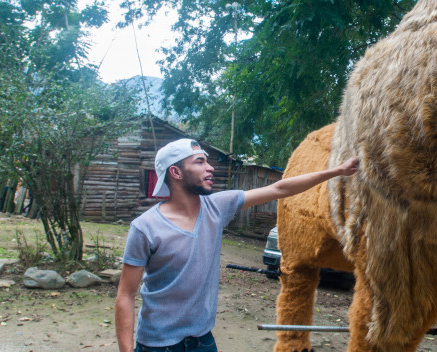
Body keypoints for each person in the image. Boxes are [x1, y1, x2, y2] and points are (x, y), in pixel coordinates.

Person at [115, 138, 359, 352]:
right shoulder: (145, 227)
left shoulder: (217, 207)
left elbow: (279, 188)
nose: (210, 167)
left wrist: (338, 170)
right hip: (158, 344)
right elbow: (125, 295)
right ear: (176, 173)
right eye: (199, 162)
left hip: (202, 341)